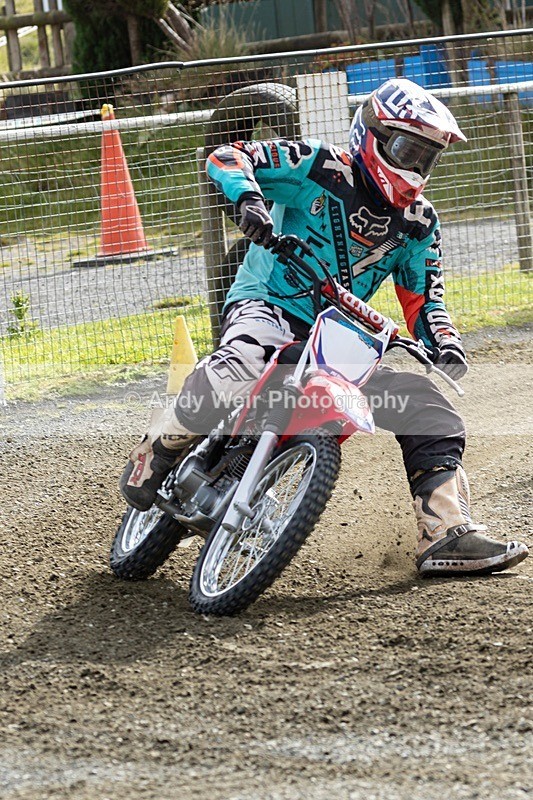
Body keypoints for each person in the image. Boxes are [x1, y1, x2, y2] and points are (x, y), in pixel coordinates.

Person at [120, 78, 528, 576]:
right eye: (407, 149)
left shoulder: (419, 222)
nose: (415, 168)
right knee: (242, 362)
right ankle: (159, 446)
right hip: (268, 304)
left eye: (426, 158)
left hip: (340, 336)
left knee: (428, 408)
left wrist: (443, 342)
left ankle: (445, 531)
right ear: (372, 134)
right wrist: (248, 200)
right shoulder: (319, 166)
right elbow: (230, 155)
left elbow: (426, 297)